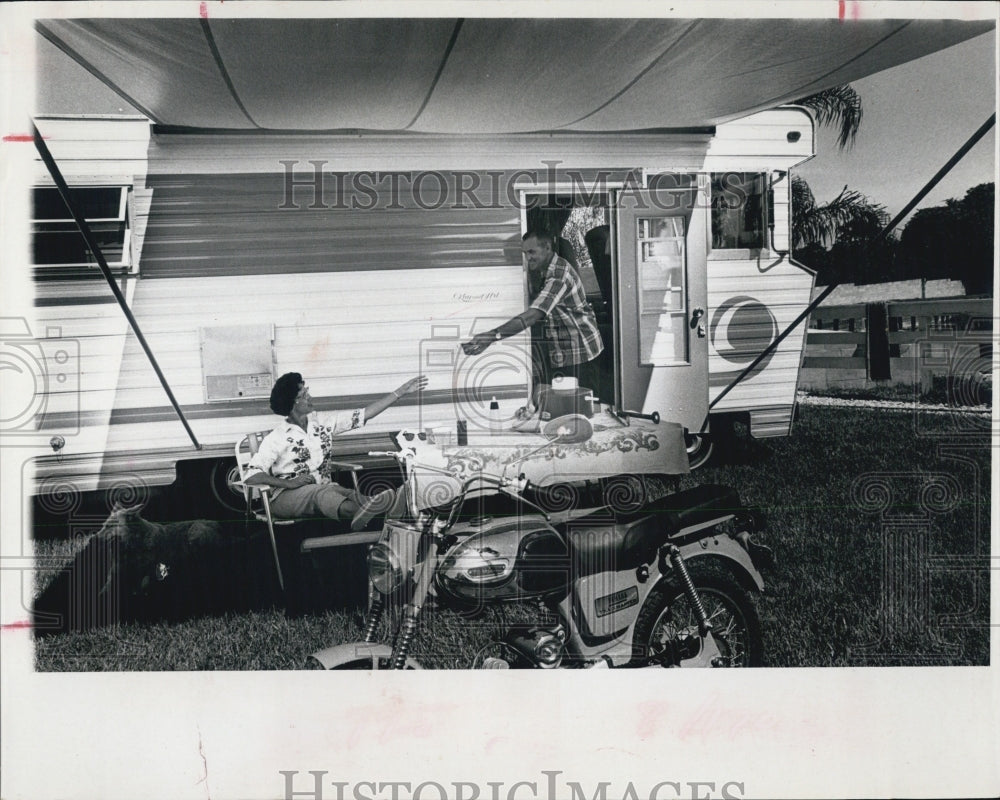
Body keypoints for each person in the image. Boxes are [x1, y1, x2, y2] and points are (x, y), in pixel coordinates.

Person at [244, 372, 427, 529]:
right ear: (293, 403)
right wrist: (289, 484)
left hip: (324, 489)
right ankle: (381, 514)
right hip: (284, 499)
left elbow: (364, 415)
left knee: (351, 495)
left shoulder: (320, 424)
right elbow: (251, 476)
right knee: (322, 494)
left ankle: (389, 509)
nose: (310, 396)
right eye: (304, 394)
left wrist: (400, 392)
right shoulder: (276, 438)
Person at [462, 230, 603, 387]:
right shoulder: (544, 269)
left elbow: (533, 315)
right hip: (562, 350)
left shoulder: (559, 275)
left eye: (531, 252)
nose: (528, 258)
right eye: (525, 253)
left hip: (580, 351)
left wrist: (492, 336)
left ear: (547, 247)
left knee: (579, 399)